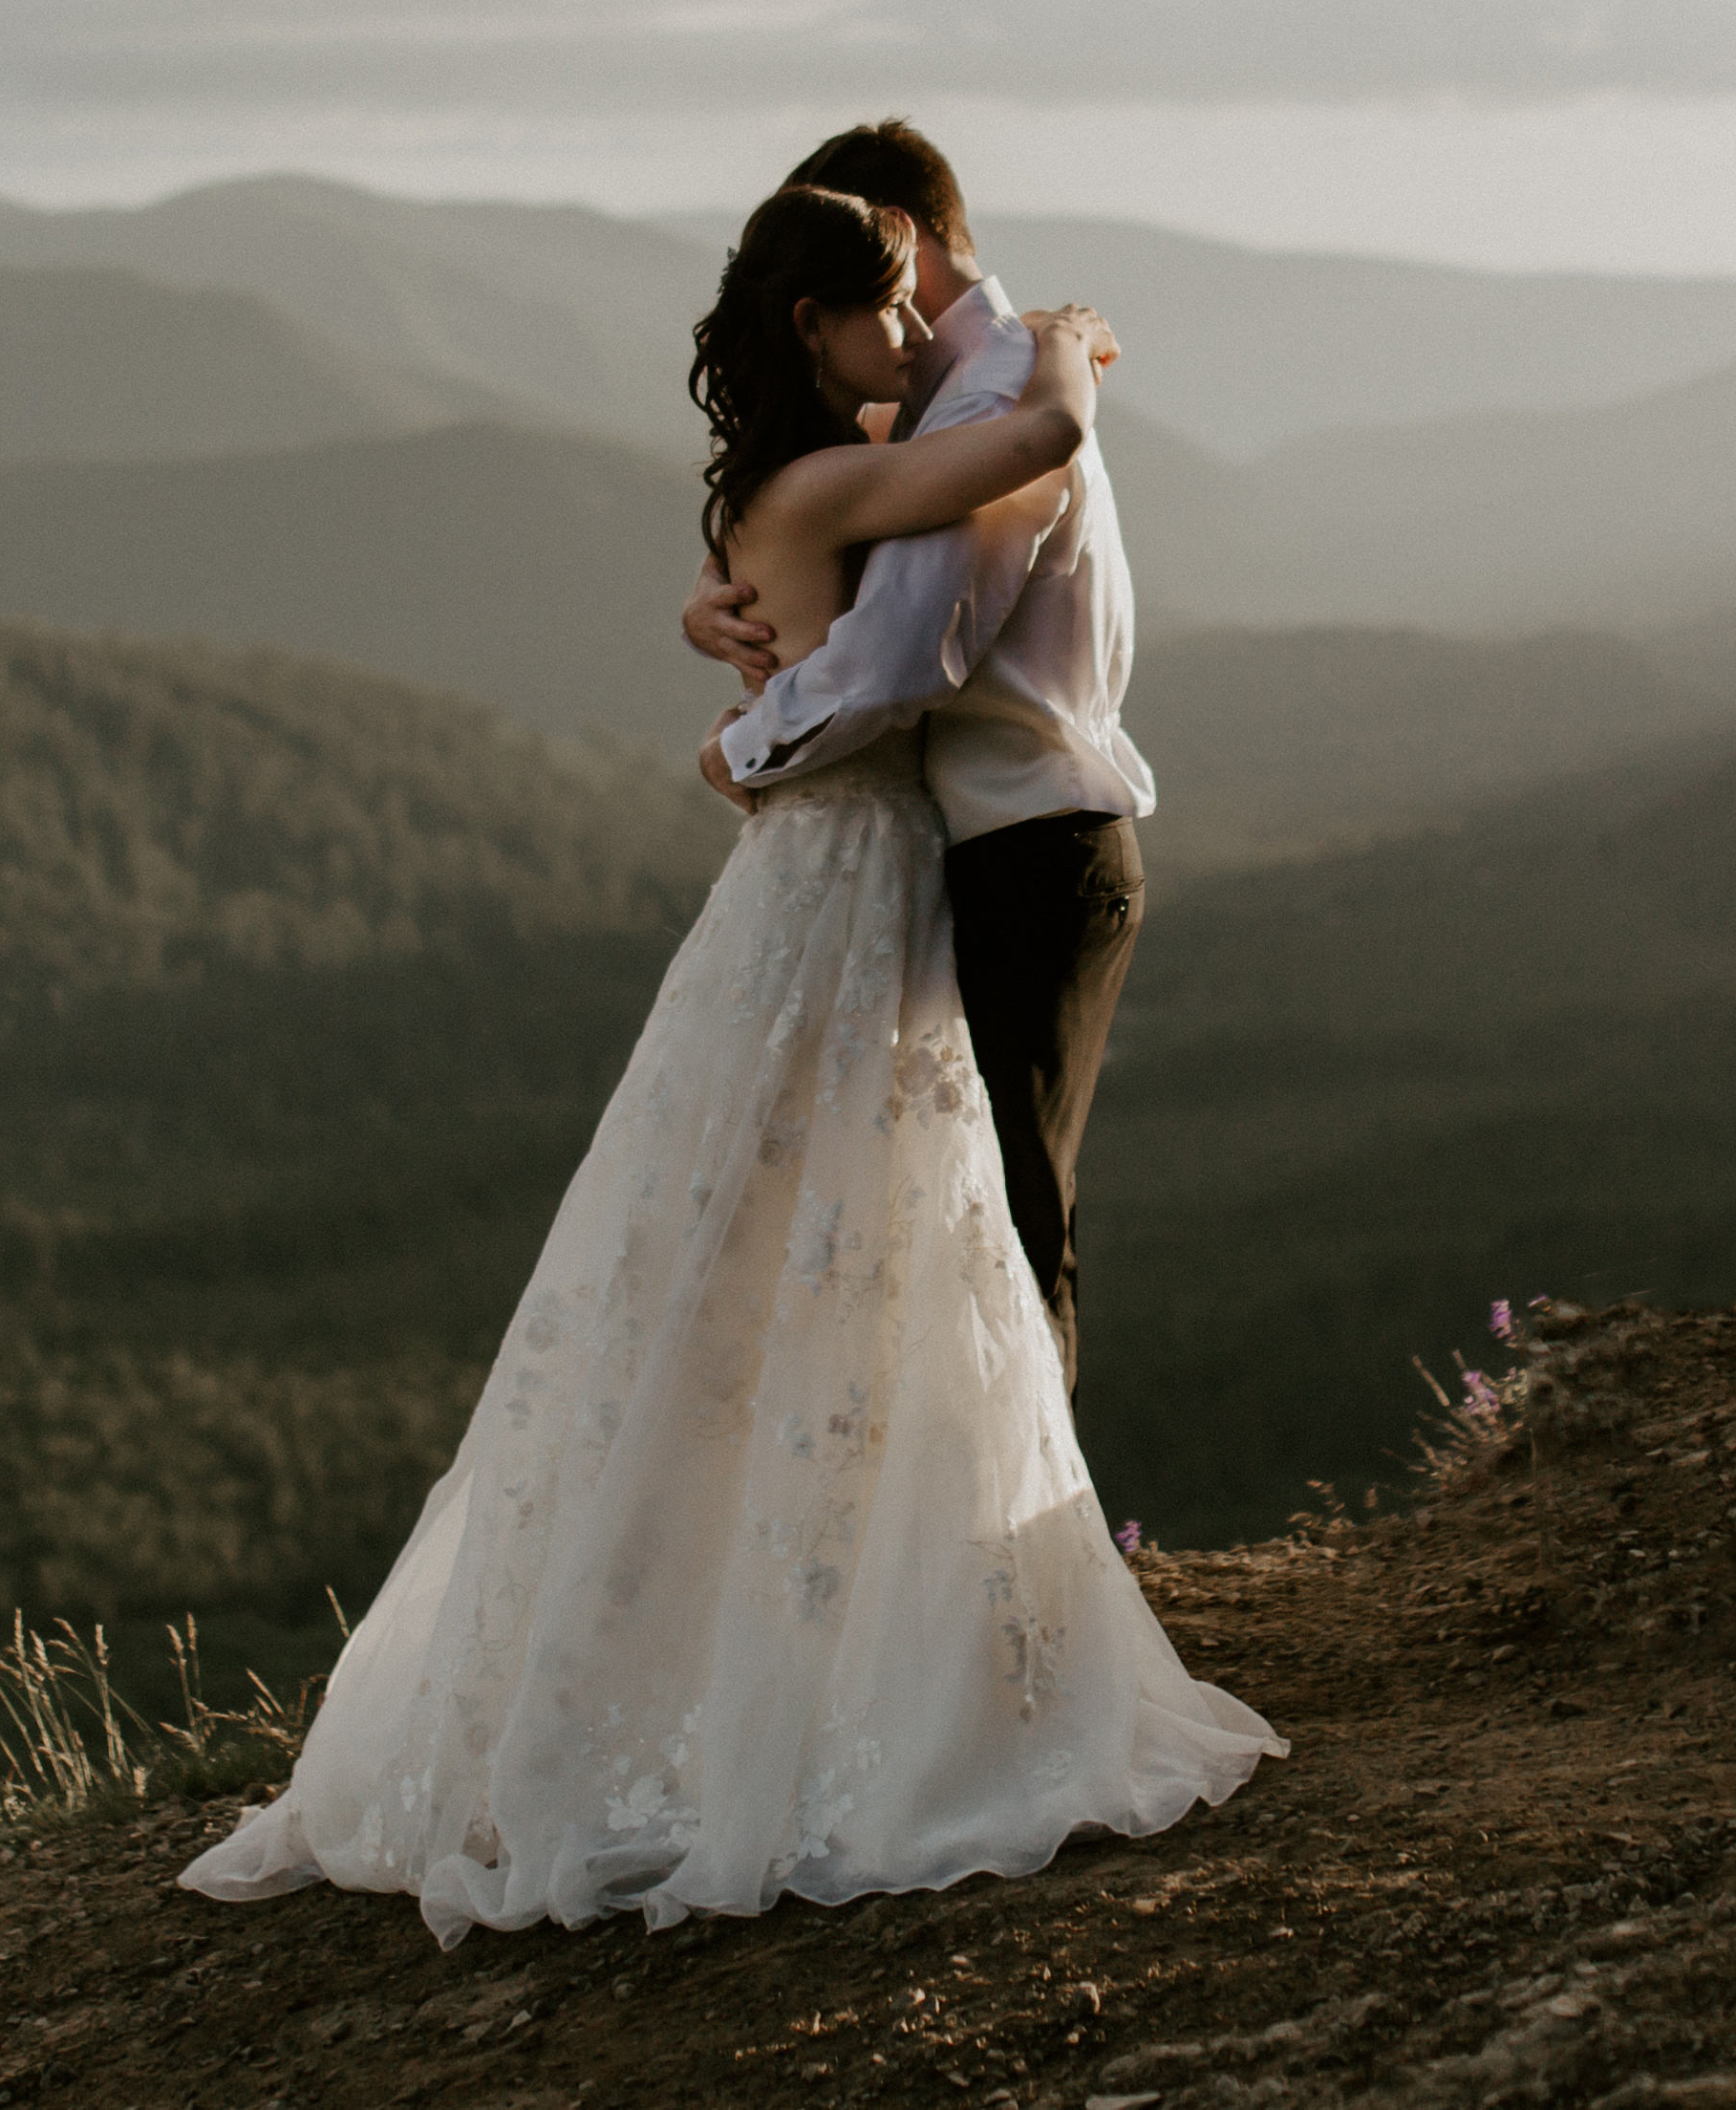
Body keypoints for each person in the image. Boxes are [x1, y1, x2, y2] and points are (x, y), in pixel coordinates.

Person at [180, 185, 1274, 1941]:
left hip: (827, 879)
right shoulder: (836, 478)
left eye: (926, 317)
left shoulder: (778, 488)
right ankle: (883, 1655)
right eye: (884, 316)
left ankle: (794, 1625)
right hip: (850, 879)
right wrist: (1063, 339)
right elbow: (1027, 461)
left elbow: (792, 603)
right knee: (850, 1238)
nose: (918, 343)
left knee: (787, 1242)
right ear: (809, 326)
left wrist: (732, 707)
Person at [682, 121, 1147, 1386]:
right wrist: (713, 605)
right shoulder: (942, 402)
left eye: (889, 284)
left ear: (913, 241)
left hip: (1024, 841)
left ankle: (1011, 1561)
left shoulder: (994, 385)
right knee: (950, 1222)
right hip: (975, 845)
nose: (888, 325)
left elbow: (899, 660)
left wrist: (744, 745)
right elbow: (818, 546)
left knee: (1003, 1232)